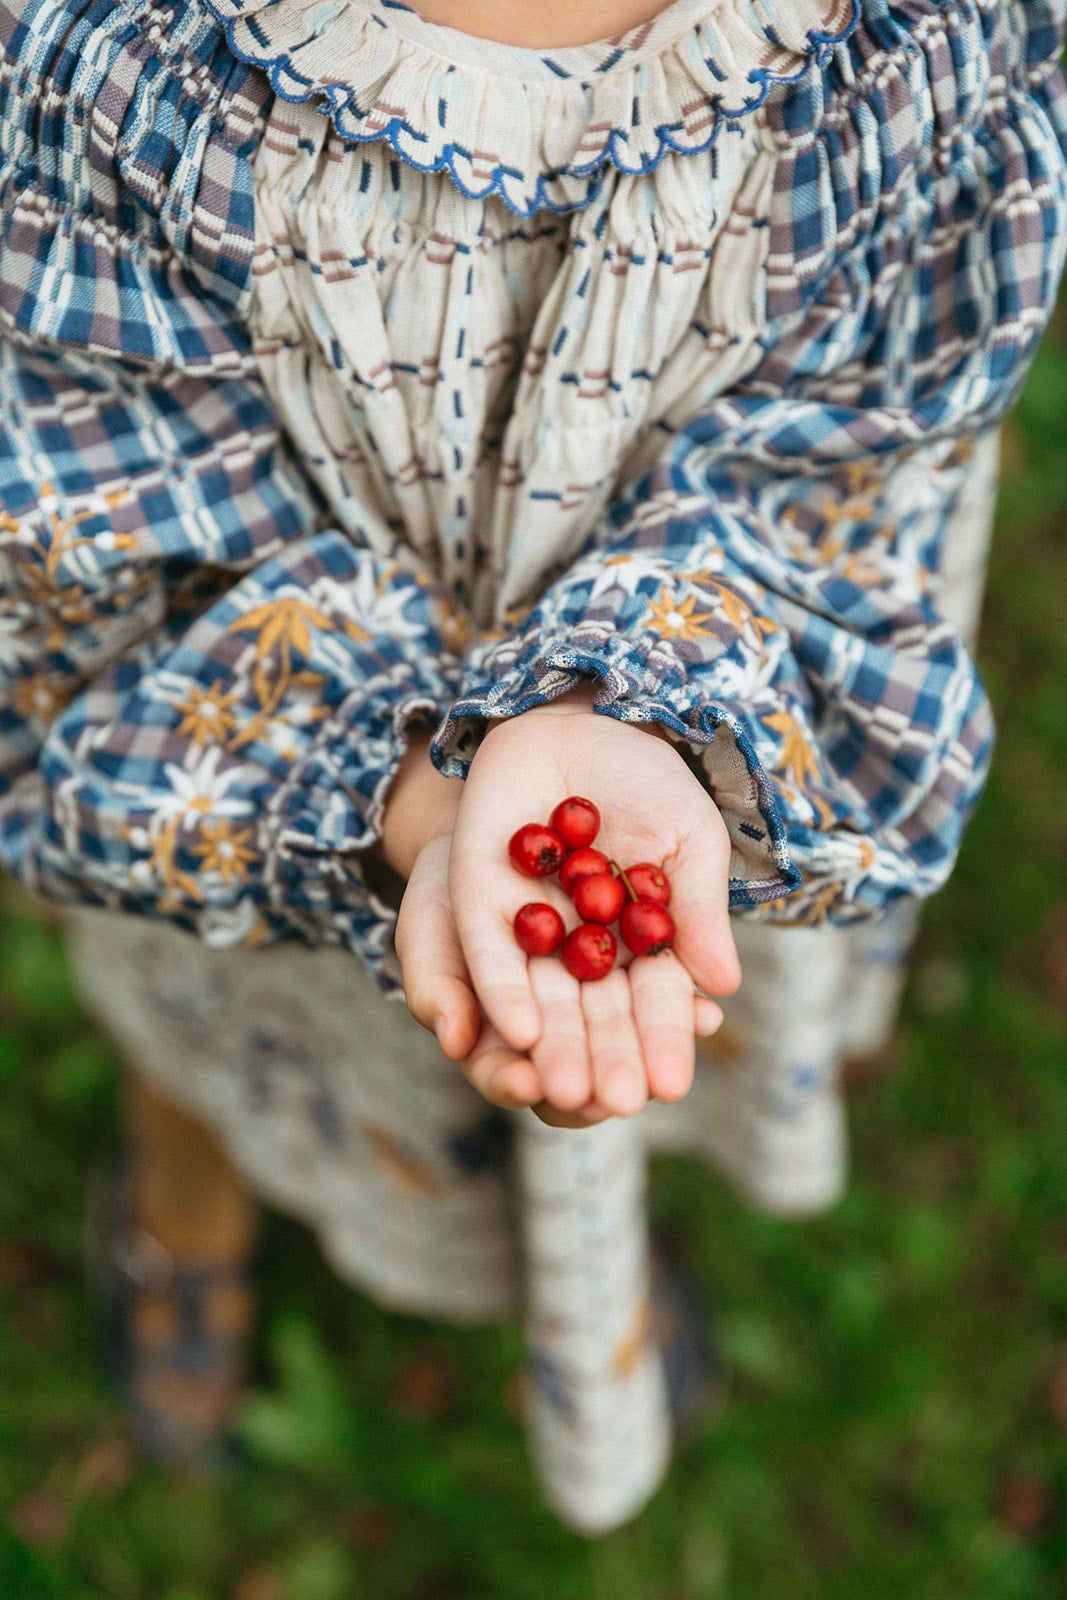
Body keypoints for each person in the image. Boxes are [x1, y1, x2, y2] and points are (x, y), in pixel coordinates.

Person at [1, 0, 1064, 1535]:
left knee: (629, 1037)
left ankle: (580, 1243)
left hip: (696, 749)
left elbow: (846, 467)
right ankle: (182, 1206)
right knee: (214, 1036)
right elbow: (83, 562)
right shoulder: (116, 63)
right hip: (271, 788)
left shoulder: (900, 44)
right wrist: (409, 789)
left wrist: (636, 709)